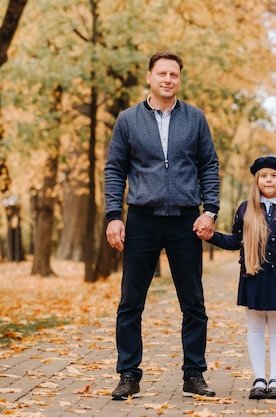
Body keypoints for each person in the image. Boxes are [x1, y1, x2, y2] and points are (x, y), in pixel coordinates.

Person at [104, 51, 220, 400]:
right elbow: (114, 170)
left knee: (194, 303)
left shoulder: (195, 119)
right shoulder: (127, 120)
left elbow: (209, 166)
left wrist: (210, 211)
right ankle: (128, 374)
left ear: (179, 80)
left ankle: (194, 374)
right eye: (162, 73)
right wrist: (113, 216)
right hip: (142, 219)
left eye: (174, 74)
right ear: (149, 78)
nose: (168, 79)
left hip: (186, 220)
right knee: (130, 302)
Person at [208, 156, 276, 400]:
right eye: (264, 176)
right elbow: (235, 241)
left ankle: (275, 379)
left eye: (273, 176)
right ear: (257, 180)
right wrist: (211, 237)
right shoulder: (246, 209)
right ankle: (258, 379)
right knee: (255, 329)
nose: (269, 180)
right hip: (253, 275)